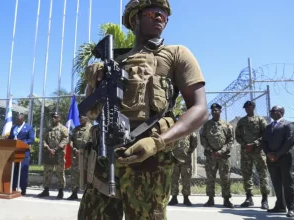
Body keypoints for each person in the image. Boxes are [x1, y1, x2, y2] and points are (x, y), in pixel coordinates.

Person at [78, 0, 208, 219]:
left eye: (163, 15)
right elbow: (91, 112)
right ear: (134, 19)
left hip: (149, 157)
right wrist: (93, 83)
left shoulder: (176, 54)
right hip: (105, 154)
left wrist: (158, 142)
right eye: (152, 13)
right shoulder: (112, 62)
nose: (159, 17)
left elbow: (199, 109)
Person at [262, 105, 294, 218]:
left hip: (284, 158)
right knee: (276, 183)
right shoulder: (269, 126)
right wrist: (268, 153)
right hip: (271, 159)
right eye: (271, 111)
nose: (271, 112)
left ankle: (291, 207)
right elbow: (264, 142)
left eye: (273, 111)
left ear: (280, 112)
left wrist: (277, 154)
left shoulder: (288, 124)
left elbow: (289, 141)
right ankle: (280, 205)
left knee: (287, 183)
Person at [235, 101, 270, 209]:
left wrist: (254, 144)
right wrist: (245, 144)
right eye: (245, 107)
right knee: (246, 174)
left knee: (262, 174)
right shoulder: (241, 121)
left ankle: (265, 199)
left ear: (253, 107)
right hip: (246, 152)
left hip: (258, 151)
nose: (247, 109)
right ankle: (249, 198)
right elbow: (237, 136)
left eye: (249, 107)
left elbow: (266, 134)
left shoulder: (260, 120)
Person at [200, 103, 234, 208]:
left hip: (223, 157)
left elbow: (231, 140)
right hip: (211, 156)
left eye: (217, 110)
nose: (215, 111)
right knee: (210, 178)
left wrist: (222, 151)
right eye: (213, 110)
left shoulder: (227, 125)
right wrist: (210, 150)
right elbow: (203, 139)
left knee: (225, 178)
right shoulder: (206, 125)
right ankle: (210, 199)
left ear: (220, 111)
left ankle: (226, 199)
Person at [38, 112, 69, 199]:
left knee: (60, 172)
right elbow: (44, 140)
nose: (53, 118)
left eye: (55, 117)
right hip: (49, 154)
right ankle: (46, 190)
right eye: (52, 117)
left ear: (59, 118)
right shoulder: (48, 129)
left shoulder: (63, 128)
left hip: (59, 154)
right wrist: (48, 148)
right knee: (47, 172)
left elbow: (65, 139)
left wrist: (56, 149)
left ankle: (60, 191)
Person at [168, 131, 198, 206]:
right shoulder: (174, 129)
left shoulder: (190, 130)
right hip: (174, 159)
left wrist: (188, 152)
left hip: (186, 160)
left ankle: (186, 198)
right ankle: (174, 198)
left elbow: (194, 142)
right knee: (174, 179)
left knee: (186, 179)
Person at [8, 113, 34, 195]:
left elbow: (31, 139)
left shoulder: (28, 127)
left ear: (23, 120)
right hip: (13, 152)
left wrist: (21, 143)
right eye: (16, 120)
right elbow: (10, 138)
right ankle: (13, 187)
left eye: (19, 120)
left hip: (24, 153)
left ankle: (23, 189)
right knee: (14, 171)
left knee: (23, 171)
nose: (17, 121)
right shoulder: (13, 127)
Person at [67, 115, 92, 200]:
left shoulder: (92, 128)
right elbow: (70, 140)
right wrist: (74, 149)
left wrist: (83, 150)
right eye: (79, 118)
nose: (80, 120)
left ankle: (87, 194)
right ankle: (74, 193)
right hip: (75, 155)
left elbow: (92, 141)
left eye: (82, 118)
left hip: (87, 156)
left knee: (86, 174)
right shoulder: (76, 129)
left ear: (87, 118)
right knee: (74, 174)